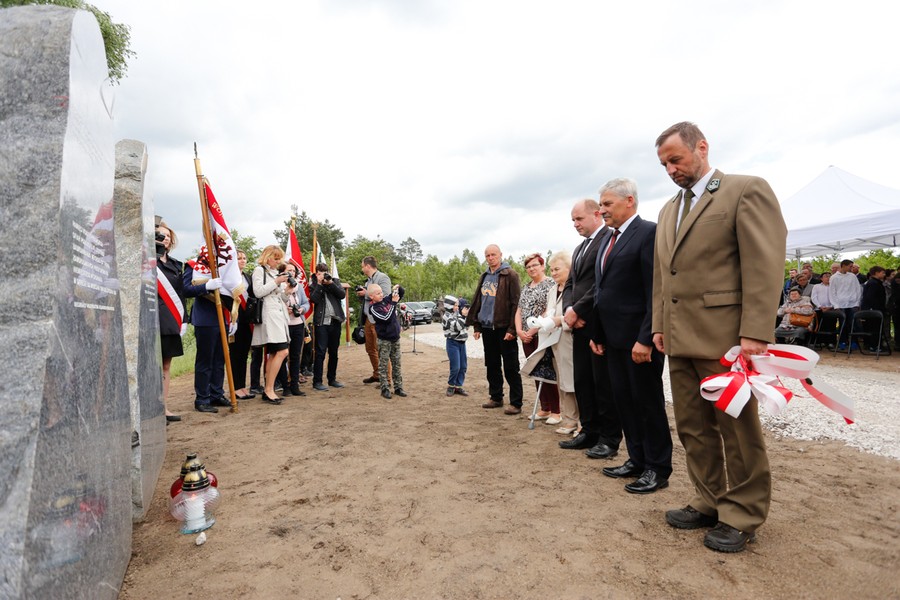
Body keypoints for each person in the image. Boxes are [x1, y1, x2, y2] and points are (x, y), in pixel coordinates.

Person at [652, 121, 787, 553]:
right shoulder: (669, 210)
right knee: (693, 426)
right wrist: (658, 325)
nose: (671, 169)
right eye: (664, 164)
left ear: (702, 147)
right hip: (679, 340)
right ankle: (708, 499)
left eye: (676, 158)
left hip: (726, 340)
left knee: (737, 429)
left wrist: (755, 331)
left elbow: (764, 263)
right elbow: (663, 276)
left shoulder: (744, 190)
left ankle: (743, 512)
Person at [590, 178, 672, 495]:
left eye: (608, 204)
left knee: (647, 403)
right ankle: (637, 460)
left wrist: (647, 337)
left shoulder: (648, 233)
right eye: (601, 204)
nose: (602, 210)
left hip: (639, 341)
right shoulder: (609, 239)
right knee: (624, 401)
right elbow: (603, 291)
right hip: (612, 339)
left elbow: (656, 290)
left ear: (630, 201)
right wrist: (597, 333)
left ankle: (658, 467)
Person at [559, 199, 622, 460]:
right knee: (583, 380)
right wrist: (569, 309)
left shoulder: (609, 240)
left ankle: (609, 438)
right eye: (573, 220)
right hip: (579, 325)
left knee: (602, 384)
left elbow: (602, 283)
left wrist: (580, 311)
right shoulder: (580, 247)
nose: (575, 224)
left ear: (596, 214)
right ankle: (589, 429)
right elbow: (572, 283)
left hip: (599, 324)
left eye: (579, 219)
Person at [465, 244, 523, 414]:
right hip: (487, 327)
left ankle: (516, 402)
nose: (490, 258)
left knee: (511, 365)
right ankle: (496, 397)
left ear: (500, 255)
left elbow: (516, 304)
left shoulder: (510, 275)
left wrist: (512, 329)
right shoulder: (484, 276)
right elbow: (479, 301)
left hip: (504, 327)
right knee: (491, 364)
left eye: (493, 254)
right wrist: (477, 325)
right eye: (487, 255)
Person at [183, 247, 235, 414]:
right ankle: (202, 398)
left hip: (223, 318)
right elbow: (186, 290)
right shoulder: (193, 266)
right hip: (205, 319)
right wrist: (207, 286)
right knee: (206, 360)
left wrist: (234, 318)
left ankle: (216, 393)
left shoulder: (224, 268)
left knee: (220, 359)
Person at [537, 252, 579, 434]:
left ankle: (582, 422)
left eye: (557, 269)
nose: (553, 273)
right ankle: (569, 420)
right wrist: (544, 319)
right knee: (562, 381)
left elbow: (576, 315)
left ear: (569, 268)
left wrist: (557, 320)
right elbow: (550, 311)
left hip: (571, 341)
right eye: (551, 269)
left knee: (574, 382)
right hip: (555, 341)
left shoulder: (576, 287)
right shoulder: (553, 289)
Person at [514, 253, 559, 422]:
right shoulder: (527, 286)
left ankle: (556, 410)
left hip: (542, 334)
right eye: (528, 266)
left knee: (547, 370)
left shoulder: (550, 284)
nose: (531, 268)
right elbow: (519, 310)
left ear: (542, 266)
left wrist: (532, 330)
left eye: (534, 265)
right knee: (535, 369)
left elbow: (549, 310)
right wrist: (519, 330)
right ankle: (544, 407)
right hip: (525, 335)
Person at [250, 245, 293, 405]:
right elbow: (258, 292)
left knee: (276, 353)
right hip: (269, 316)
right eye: (275, 258)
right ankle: (269, 388)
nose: (278, 261)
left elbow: (281, 297)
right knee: (282, 351)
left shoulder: (276, 273)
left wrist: (287, 290)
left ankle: (269, 389)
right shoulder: (259, 271)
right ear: (267, 257)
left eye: (279, 258)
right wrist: (276, 281)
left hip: (279, 316)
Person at [155, 220, 185, 422]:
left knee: (166, 366)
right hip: (151, 318)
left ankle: (163, 409)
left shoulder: (176, 265)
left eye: (167, 235)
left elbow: (180, 294)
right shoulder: (145, 260)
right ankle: (150, 409)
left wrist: (184, 320)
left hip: (170, 320)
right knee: (150, 367)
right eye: (159, 235)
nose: (164, 238)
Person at [309, 262, 346, 391]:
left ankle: (332, 379)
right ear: (316, 273)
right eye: (319, 273)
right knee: (320, 352)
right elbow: (314, 300)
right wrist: (319, 284)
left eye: (323, 273)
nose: (321, 275)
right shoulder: (313, 284)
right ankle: (317, 381)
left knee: (334, 352)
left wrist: (330, 283)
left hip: (335, 321)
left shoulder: (334, 281)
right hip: (321, 323)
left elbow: (342, 295)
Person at [368, 283, 406, 399]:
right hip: (384, 340)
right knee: (383, 365)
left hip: (395, 338)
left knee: (397, 364)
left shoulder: (386, 300)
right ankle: (385, 388)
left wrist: (397, 289)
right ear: (371, 297)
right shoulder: (374, 308)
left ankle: (398, 387)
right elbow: (386, 318)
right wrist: (394, 303)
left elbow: (400, 293)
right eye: (378, 293)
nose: (381, 295)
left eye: (381, 292)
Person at [359, 256, 391, 385]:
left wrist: (366, 293)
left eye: (362, 266)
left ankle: (387, 380)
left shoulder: (383, 278)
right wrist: (363, 294)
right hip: (368, 318)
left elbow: (386, 296)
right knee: (370, 349)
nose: (362, 268)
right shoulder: (368, 280)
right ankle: (377, 374)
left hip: (379, 320)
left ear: (367, 266)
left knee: (382, 350)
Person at [228, 250, 256, 401]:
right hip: (233, 320)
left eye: (244, 258)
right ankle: (235, 388)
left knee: (244, 354)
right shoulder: (229, 277)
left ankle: (242, 386)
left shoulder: (248, 277)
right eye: (239, 258)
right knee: (234, 354)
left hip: (247, 320)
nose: (243, 261)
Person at [280, 262, 310, 396]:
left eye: (293, 271)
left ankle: (294, 385)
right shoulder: (278, 286)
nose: (291, 273)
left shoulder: (299, 287)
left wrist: (302, 309)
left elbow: (306, 303)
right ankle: (284, 386)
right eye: (289, 270)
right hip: (283, 325)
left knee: (296, 355)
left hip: (298, 324)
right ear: (282, 272)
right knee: (282, 356)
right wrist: (284, 308)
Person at [830, 259, 862, 350]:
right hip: (840, 304)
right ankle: (842, 341)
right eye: (850, 266)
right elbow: (832, 292)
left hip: (852, 304)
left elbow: (857, 289)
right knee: (842, 324)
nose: (852, 268)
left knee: (852, 323)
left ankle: (853, 341)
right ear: (843, 265)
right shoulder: (834, 277)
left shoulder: (852, 276)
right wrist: (836, 305)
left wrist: (857, 302)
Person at [442, 295, 469, 397]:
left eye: (458, 305)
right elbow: (457, 327)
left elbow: (466, 326)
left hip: (462, 343)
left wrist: (465, 317)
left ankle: (459, 386)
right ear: (449, 306)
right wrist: (463, 316)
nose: (457, 307)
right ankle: (451, 386)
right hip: (452, 343)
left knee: (463, 366)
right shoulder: (446, 317)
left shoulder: (457, 314)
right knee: (455, 367)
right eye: (456, 305)